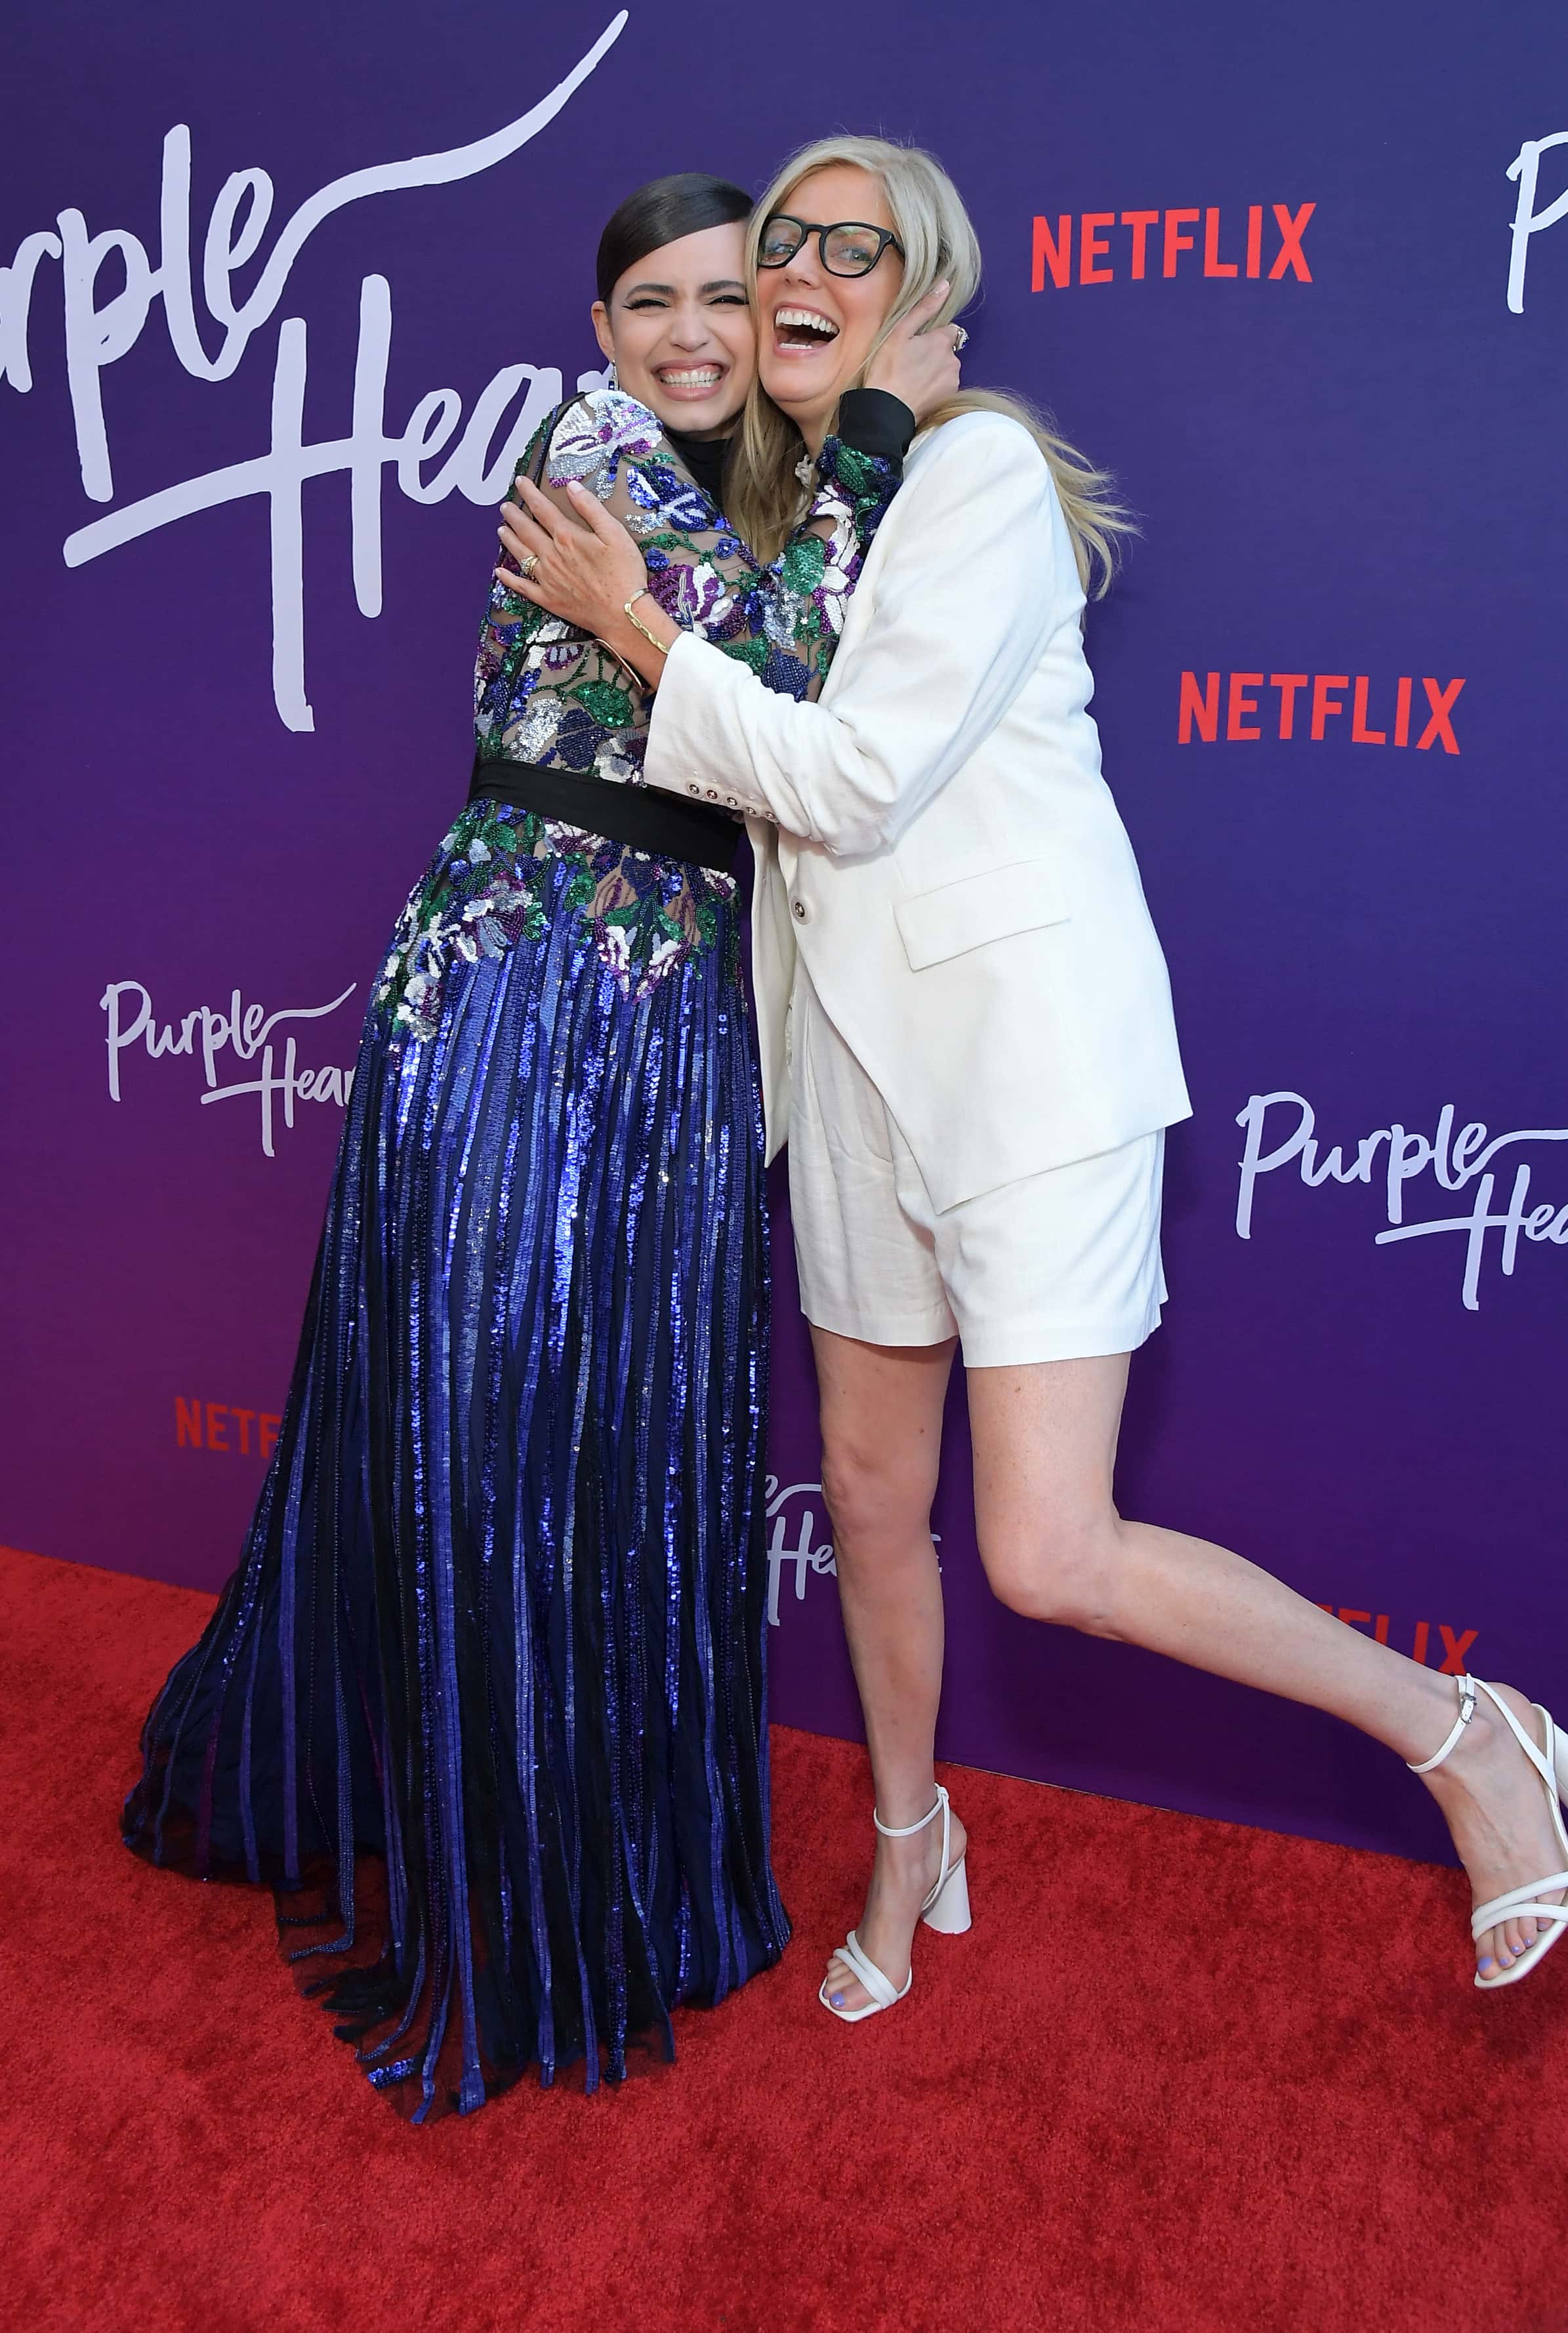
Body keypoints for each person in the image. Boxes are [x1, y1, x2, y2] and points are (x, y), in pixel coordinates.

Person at [495, 135, 1568, 2027]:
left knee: (1051, 1549)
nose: (803, 268)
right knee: (867, 1501)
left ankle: (1472, 1731)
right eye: (784, 241)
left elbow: (848, 781)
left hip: (1023, 1072)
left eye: (857, 246)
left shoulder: (974, 474)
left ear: (925, 298)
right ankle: (913, 1834)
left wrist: (634, 628)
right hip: (848, 1085)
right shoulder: (802, 511)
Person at [121, 169, 953, 2121]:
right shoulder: (587, 460)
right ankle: (504, 1870)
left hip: (674, 1013)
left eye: (725, 297)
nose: (689, 332)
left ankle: (621, 1850)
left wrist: (840, 457)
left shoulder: (755, 479)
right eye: (651, 302)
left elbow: (802, 709)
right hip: (519, 990)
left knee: (630, 1444)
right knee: (497, 1429)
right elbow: (786, 653)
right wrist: (878, 432)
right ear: (600, 333)